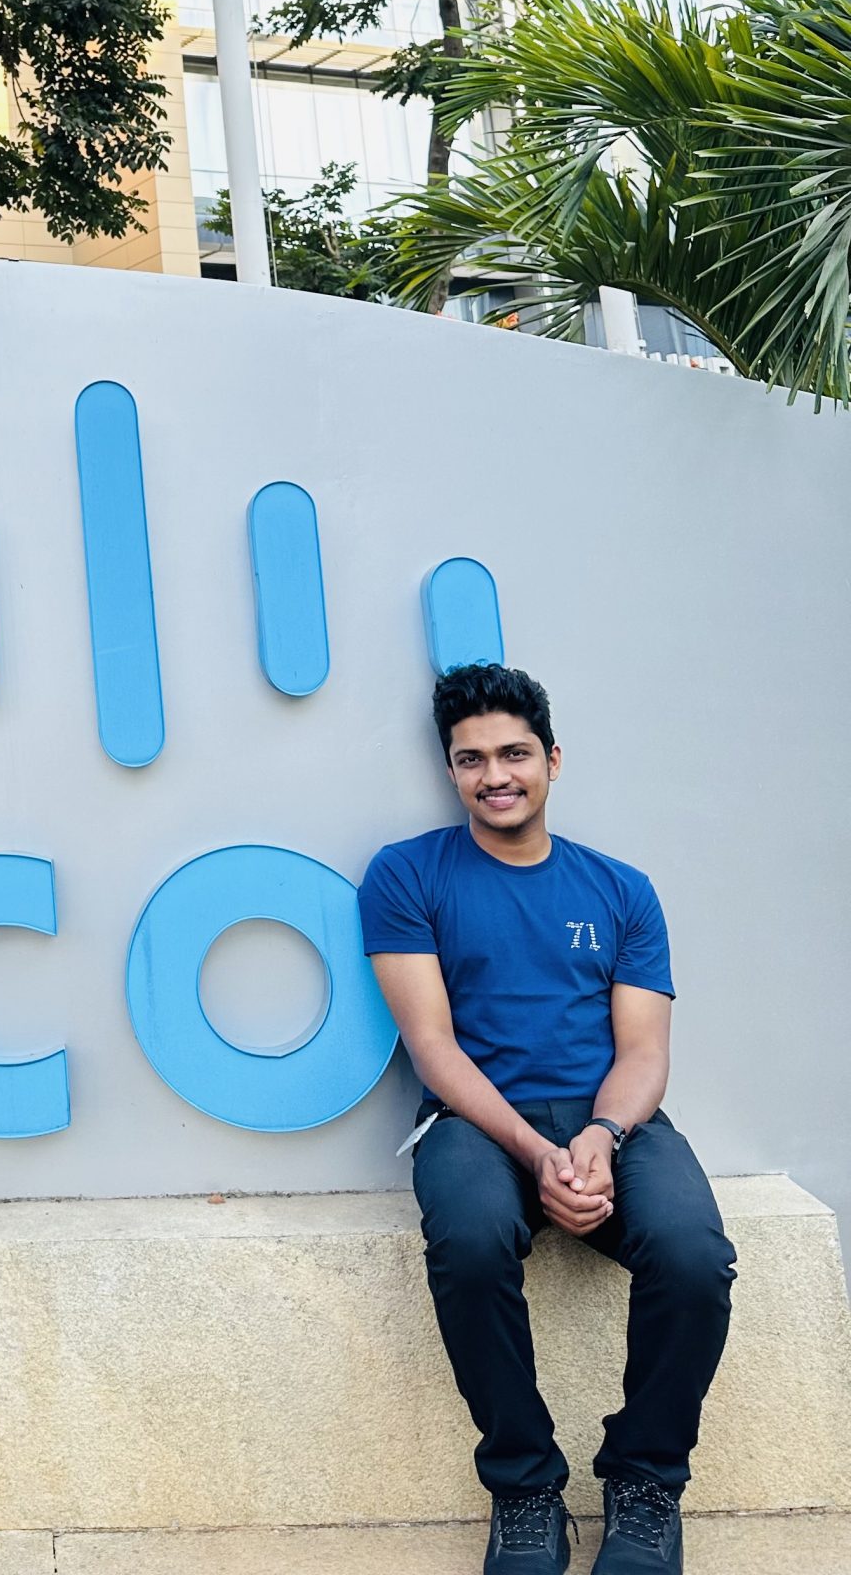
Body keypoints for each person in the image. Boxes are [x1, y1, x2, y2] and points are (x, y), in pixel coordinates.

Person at [359, 662, 735, 1575]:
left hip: (612, 1120)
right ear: (452, 771)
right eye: (471, 758)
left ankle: (646, 1484)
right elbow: (435, 1049)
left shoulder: (620, 889)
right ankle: (525, 1489)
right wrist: (536, 1153)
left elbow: (644, 1051)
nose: (496, 774)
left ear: (553, 760)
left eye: (515, 753)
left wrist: (601, 1138)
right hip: (474, 1119)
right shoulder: (406, 876)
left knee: (694, 1254)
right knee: (473, 1238)